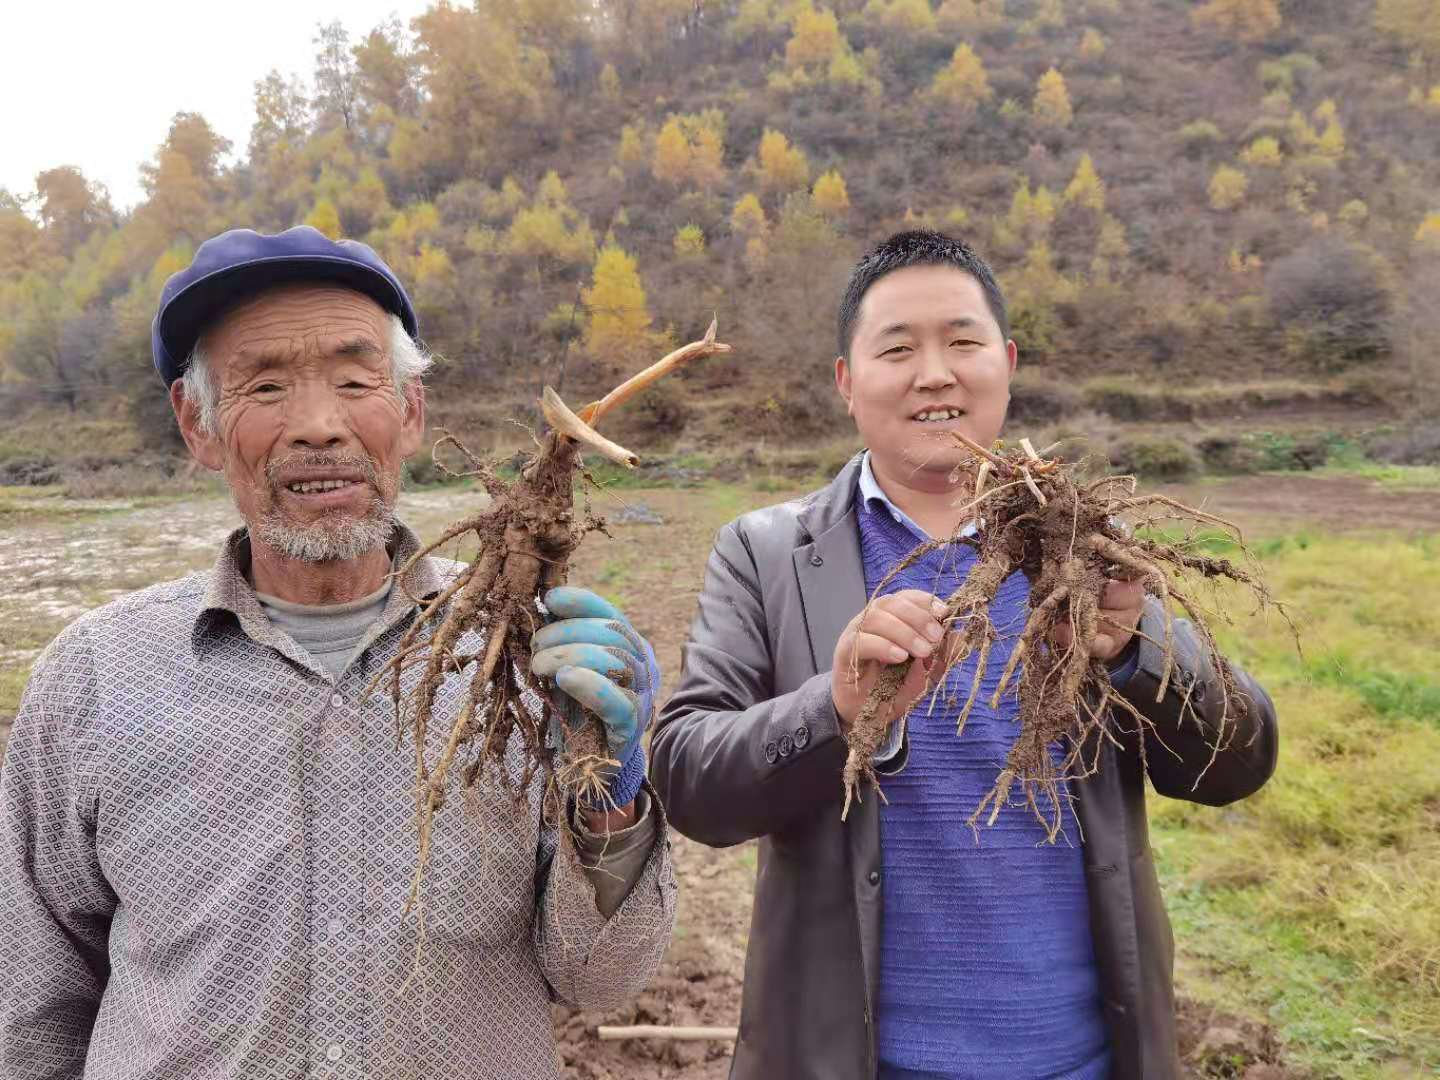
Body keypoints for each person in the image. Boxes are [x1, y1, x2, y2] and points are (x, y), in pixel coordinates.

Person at [0, 226, 676, 1079]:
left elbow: (603, 979)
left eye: (357, 381)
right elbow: (28, 1011)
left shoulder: (528, 657)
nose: (319, 426)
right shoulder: (94, 681)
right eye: (266, 385)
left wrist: (609, 802)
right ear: (197, 426)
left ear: (412, 413)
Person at [651, 230, 1278, 1080]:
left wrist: (1140, 650)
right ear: (846, 381)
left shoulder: (1090, 550)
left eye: (963, 342)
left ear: (1007, 362)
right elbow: (690, 781)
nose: (935, 373)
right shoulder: (766, 554)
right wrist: (833, 711)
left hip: (1084, 1060)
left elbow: (1239, 763)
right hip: (853, 1061)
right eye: (898, 349)